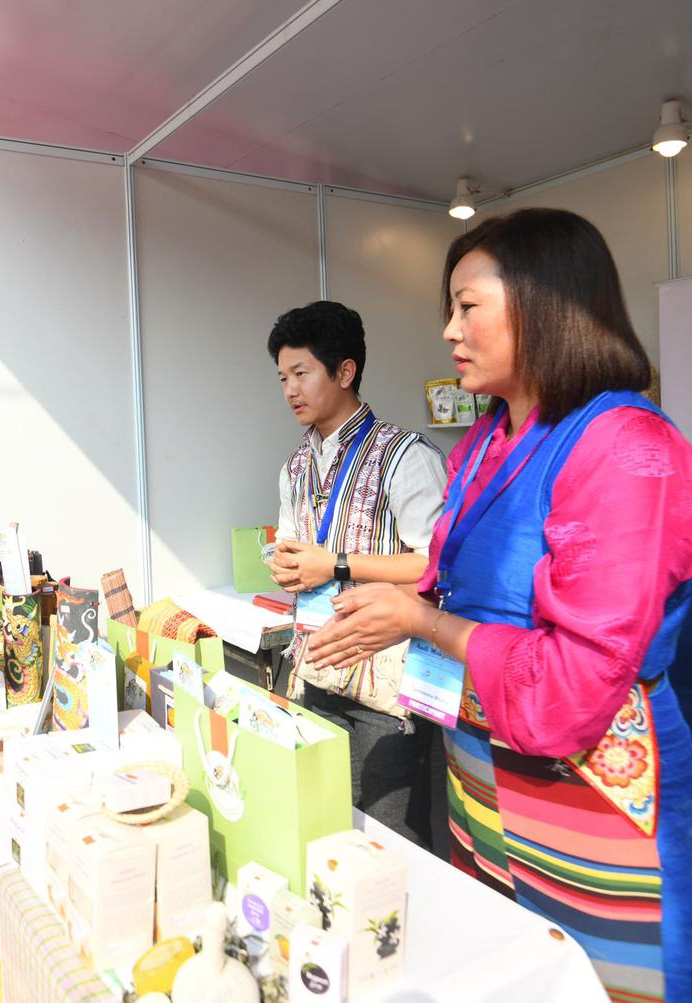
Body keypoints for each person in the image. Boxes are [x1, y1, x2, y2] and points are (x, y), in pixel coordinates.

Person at [309, 208, 692, 1002]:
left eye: (467, 304)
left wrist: (422, 621)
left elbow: (577, 679)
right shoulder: (487, 439)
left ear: (547, 301)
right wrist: (386, 598)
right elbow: (451, 573)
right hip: (484, 774)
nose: (449, 329)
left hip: (591, 787)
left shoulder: (627, 447)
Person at [266, 301, 446, 847]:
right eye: (282, 377)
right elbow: (294, 550)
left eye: (302, 373)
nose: (291, 389)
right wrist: (286, 567)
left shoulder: (405, 455)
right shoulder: (295, 467)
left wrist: (337, 564)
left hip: (384, 692)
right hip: (315, 672)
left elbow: (435, 567)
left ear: (345, 372)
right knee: (323, 832)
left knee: (388, 843)